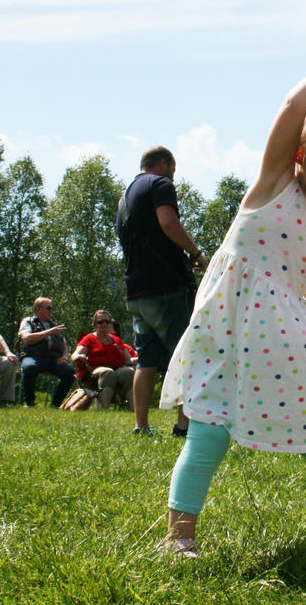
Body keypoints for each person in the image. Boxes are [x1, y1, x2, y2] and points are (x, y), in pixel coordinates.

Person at [159, 25, 306, 558]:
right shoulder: (271, 188)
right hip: (226, 328)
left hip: (288, 342)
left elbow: (304, 284)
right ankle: (179, 536)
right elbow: (292, 105)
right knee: (208, 429)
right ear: (301, 154)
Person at [116, 146, 207, 436]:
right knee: (186, 353)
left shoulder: (126, 196)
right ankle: (184, 425)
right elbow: (167, 221)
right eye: (174, 169)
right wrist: (194, 252)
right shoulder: (160, 184)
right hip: (166, 286)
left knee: (146, 360)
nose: (174, 176)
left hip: (136, 290)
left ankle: (141, 426)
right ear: (164, 163)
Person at [70, 310, 136, 409]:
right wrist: (79, 356)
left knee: (128, 372)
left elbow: (128, 360)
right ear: (95, 324)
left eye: (107, 321)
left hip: (116, 369)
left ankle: (133, 409)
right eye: (100, 322)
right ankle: (105, 408)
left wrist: (144, 359)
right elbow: (75, 354)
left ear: (110, 324)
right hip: (94, 372)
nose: (104, 324)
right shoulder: (89, 338)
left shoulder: (117, 340)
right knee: (108, 372)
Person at [17, 297, 75, 408]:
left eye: (51, 308)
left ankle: (55, 404)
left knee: (69, 372)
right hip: (33, 356)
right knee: (29, 367)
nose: (51, 311)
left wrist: (64, 357)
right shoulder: (28, 322)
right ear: (38, 309)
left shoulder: (54, 325)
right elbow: (27, 339)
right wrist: (49, 332)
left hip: (53, 359)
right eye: (48, 308)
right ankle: (30, 402)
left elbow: (64, 345)